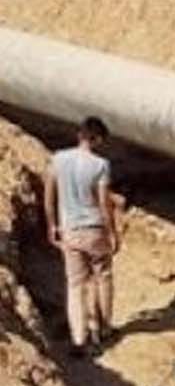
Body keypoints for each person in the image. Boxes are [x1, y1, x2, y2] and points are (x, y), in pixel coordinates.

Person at [42, 116, 120, 358]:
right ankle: (103, 329)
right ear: (96, 139)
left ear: (80, 134)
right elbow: (104, 203)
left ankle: (79, 339)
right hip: (95, 229)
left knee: (75, 286)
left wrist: (52, 225)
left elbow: (49, 195)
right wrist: (113, 233)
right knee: (102, 278)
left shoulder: (58, 159)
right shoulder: (101, 165)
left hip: (70, 231)